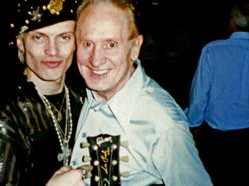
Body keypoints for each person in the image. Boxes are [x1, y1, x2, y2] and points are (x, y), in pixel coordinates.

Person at [68, 0, 212, 185]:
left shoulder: (163, 124)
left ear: (135, 48)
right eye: (87, 43)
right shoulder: (79, 94)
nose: (95, 60)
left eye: (110, 45)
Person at [0, 0, 85, 185]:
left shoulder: (83, 98)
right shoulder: (7, 116)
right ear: (21, 43)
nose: (52, 51)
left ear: (76, 43)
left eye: (64, 37)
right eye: (39, 37)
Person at [184, 0, 249, 185]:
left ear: (232, 22)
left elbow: (200, 95)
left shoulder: (213, 49)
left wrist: (192, 124)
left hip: (218, 136)